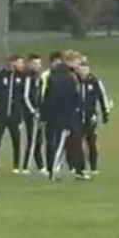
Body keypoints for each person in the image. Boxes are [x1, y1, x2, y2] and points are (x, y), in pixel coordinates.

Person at [42, 50, 88, 181]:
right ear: (71, 61)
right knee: (59, 144)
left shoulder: (60, 74)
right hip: (63, 116)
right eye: (78, 62)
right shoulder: (65, 77)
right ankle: (54, 171)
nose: (79, 65)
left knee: (74, 142)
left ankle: (78, 170)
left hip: (62, 115)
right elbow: (63, 97)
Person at [0, 55, 26, 174]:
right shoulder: (2, 74)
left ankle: (16, 166)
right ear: (12, 63)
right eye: (19, 63)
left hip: (15, 115)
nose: (21, 65)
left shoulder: (22, 77)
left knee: (16, 141)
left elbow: (23, 96)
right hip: (1, 115)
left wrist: (20, 115)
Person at [77, 57, 110, 175]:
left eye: (85, 69)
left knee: (91, 142)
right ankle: (81, 166)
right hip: (77, 116)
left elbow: (102, 97)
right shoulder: (75, 81)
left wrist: (105, 113)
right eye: (81, 70)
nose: (83, 72)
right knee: (77, 142)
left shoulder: (94, 81)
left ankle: (93, 166)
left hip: (91, 116)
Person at [22, 54, 45, 175]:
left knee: (39, 140)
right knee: (32, 139)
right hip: (30, 113)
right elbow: (25, 97)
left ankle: (40, 166)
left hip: (39, 112)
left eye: (39, 64)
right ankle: (26, 166)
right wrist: (32, 111)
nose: (37, 66)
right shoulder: (28, 78)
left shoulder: (40, 78)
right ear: (30, 64)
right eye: (35, 64)